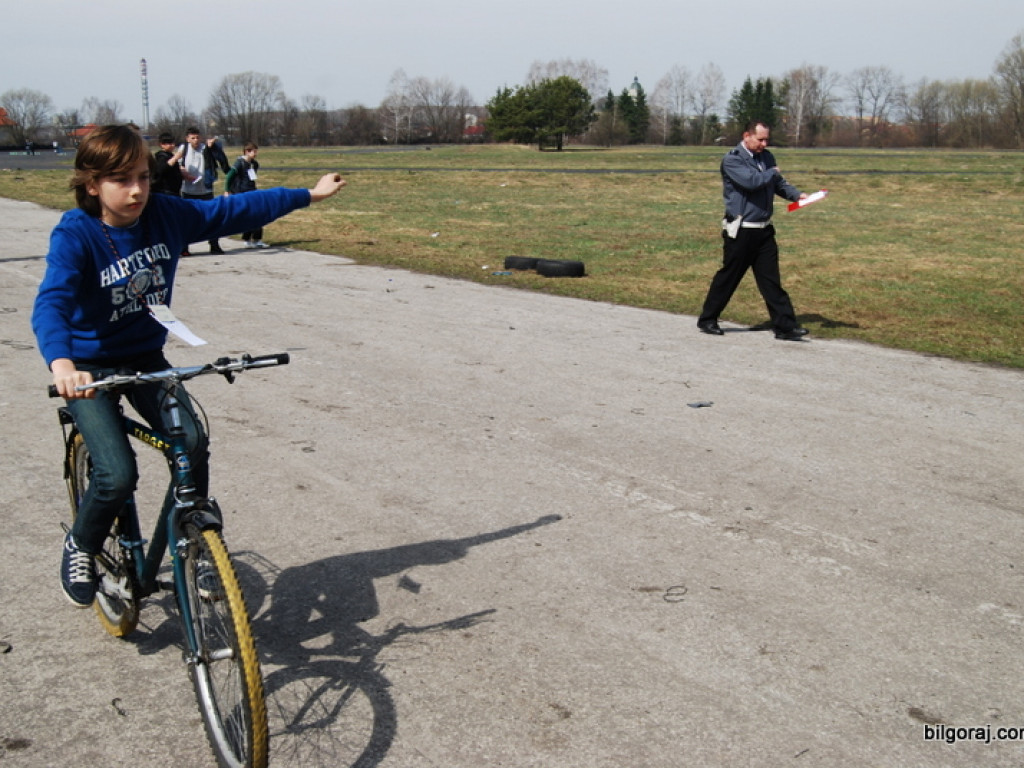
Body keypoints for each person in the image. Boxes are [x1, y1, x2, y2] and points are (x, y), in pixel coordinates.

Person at [32, 124, 347, 608]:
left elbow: (232, 209)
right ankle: (82, 543)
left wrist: (308, 194)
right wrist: (62, 364)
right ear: (92, 184)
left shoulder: (165, 214)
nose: (137, 190)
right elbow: (51, 302)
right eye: (121, 180)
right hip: (88, 365)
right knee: (117, 473)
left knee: (193, 440)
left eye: (141, 176)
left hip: (143, 355)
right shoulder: (76, 234)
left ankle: (193, 543)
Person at [697, 120, 809, 341]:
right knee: (729, 276)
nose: (764, 144)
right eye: (760, 139)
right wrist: (773, 173)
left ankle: (785, 326)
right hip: (741, 230)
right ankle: (708, 319)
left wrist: (797, 195)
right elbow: (751, 181)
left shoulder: (766, 158)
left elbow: (778, 184)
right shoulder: (732, 160)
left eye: (767, 139)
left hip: (764, 230)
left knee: (771, 281)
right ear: (746, 136)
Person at [179, 126, 231, 254]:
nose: (196, 140)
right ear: (187, 139)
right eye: (193, 138)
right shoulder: (183, 149)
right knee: (187, 220)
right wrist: (185, 174)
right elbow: (178, 165)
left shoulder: (205, 148)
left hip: (205, 190)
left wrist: (213, 146)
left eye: (197, 137)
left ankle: (214, 245)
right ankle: (184, 248)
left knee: (212, 218)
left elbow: (221, 159)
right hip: (188, 190)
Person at [224, 141, 266, 248]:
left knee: (259, 214)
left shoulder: (254, 164)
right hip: (242, 193)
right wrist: (227, 190)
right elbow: (229, 176)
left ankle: (257, 239)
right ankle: (247, 239)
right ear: (247, 151)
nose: (256, 154)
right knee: (250, 215)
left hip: (252, 191)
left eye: (256, 152)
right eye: (254, 152)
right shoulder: (239, 163)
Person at [151, 132, 186, 196]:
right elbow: (161, 169)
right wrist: (175, 158)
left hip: (175, 190)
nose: (172, 145)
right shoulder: (161, 156)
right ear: (162, 144)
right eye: (169, 143)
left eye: (173, 143)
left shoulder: (170, 155)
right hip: (166, 191)